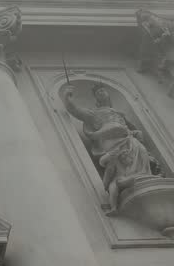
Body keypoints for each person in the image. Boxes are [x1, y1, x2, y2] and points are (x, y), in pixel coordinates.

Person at [59, 82, 154, 211]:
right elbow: (76, 111)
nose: (101, 93)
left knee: (141, 150)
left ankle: (142, 175)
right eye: (98, 93)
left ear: (108, 94)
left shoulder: (119, 113)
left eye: (103, 91)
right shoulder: (94, 113)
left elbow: (130, 128)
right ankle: (122, 182)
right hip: (111, 141)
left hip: (127, 138)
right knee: (119, 161)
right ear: (96, 98)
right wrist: (67, 98)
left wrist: (135, 132)